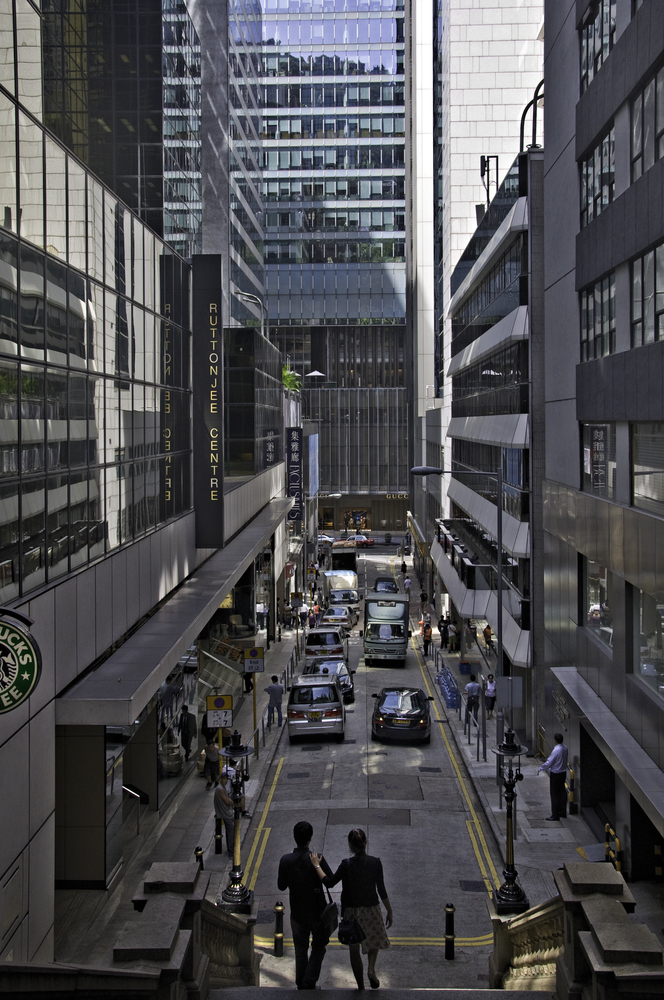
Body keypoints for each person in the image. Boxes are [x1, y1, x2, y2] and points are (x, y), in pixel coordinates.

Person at [311, 828, 392, 990]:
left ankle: (361, 987)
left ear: (350, 845)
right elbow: (381, 890)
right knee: (374, 942)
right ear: (365, 842)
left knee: (354, 950)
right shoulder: (376, 862)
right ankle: (371, 969)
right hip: (372, 909)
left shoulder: (346, 864)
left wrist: (317, 866)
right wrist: (389, 910)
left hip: (352, 912)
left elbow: (329, 882)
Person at [278, 821, 334, 990]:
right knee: (319, 947)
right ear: (310, 838)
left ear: (295, 837)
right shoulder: (317, 858)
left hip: (297, 912)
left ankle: (301, 983)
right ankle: (309, 981)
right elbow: (330, 881)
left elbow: (281, 886)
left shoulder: (286, 860)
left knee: (300, 949)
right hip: (317, 913)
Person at [538, 733, 569, 821]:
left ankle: (555, 814)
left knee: (555, 794)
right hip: (563, 773)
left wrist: (541, 768)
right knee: (562, 792)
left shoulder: (556, 750)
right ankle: (562, 811)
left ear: (555, 740)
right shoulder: (565, 748)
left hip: (556, 774)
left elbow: (549, 762)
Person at [214, 774, 235, 856]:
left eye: (226, 779)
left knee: (229, 830)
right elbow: (227, 801)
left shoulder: (222, 788)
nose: (226, 781)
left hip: (223, 812)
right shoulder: (220, 789)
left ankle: (230, 849)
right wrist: (233, 803)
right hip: (224, 813)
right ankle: (231, 851)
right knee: (230, 831)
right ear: (221, 779)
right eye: (224, 779)